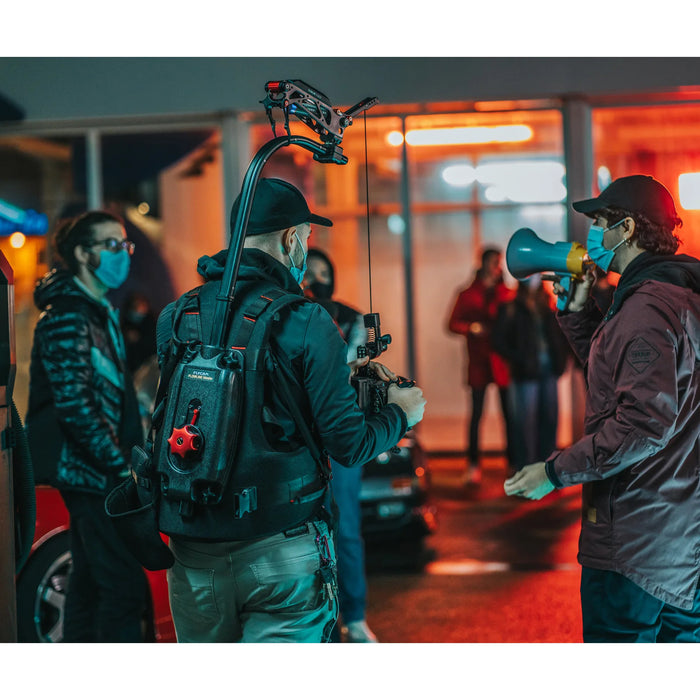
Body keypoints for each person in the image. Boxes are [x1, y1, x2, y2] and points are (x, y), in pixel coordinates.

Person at [159, 178, 426, 643]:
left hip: (193, 555)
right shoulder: (306, 319)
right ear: (290, 240)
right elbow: (349, 445)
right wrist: (400, 413)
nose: (305, 247)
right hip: (281, 552)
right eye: (306, 236)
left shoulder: (178, 314)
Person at [504, 174, 700, 642]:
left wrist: (554, 472)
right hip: (679, 540)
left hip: (636, 544)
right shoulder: (676, 297)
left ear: (627, 228)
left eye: (600, 221)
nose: (592, 233)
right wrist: (579, 313)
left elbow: (641, 425)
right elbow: (623, 378)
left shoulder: (645, 309)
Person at [25, 210, 148, 642]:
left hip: (98, 470)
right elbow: (74, 405)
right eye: (111, 245)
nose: (122, 253)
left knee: (90, 586)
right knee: (121, 587)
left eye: (125, 244)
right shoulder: (67, 316)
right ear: (81, 254)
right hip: (91, 473)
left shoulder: (96, 311)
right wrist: (119, 465)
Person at [303, 247, 377, 643]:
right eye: (308, 272)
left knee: (345, 528)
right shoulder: (290, 316)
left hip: (341, 437)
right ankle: (318, 622)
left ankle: (356, 615)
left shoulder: (353, 319)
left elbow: (356, 370)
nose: (315, 280)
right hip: (299, 440)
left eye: (322, 272)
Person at [448, 247, 515, 482]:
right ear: (485, 263)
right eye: (495, 262)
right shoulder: (468, 293)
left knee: (509, 414)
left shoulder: (507, 293)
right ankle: (473, 464)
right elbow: (452, 323)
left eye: (499, 262)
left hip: (502, 362)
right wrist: (471, 328)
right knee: (476, 414)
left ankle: (513, 462)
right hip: (478, 360)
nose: (498, 267)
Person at [492, 275, 570, 473]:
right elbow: (498, 341)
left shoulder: (547, 306)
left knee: (549, 420)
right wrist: (519, 358)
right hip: (525, 373)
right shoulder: (511, 307)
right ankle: (527, 470)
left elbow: (558, 336)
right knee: (525, 424)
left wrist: (561, 360)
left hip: (549, 370)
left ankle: (546, 470)